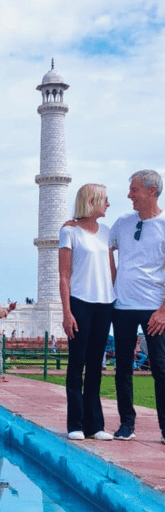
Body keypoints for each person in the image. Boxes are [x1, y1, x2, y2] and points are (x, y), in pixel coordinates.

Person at [108, 170, 165, 443]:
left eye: (134, 190)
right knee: (122, 368)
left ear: (151, 191)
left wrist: (163, 311)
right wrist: (114, 284)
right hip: (122, 308)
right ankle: (126, 424)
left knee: (161, 368)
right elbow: (106, 247)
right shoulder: (122, 223)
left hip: (154, 309)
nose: (129, 195)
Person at [59, 183, 115, 441]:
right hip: (80, 302)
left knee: (96, 365)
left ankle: (96, 425)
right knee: (76, 364)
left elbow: (111, 270)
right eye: (104, 199)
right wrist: (67, 312)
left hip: (105, 304)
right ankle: (76, 424)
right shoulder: (69, 231)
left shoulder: (107, 232)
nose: (108, 204)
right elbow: (64, 275)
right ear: (91, 201)